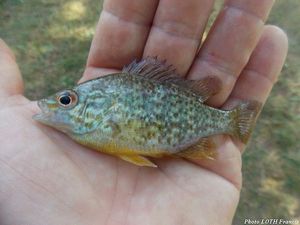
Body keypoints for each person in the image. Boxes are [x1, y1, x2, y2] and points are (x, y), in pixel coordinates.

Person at [0, 0, 288, 224]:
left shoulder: (100, 125)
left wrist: (229, 120)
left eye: (66, 100)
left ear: (98, 105)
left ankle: (234, 122)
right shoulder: (91, 128)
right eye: (65, 100)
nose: (57, 104)